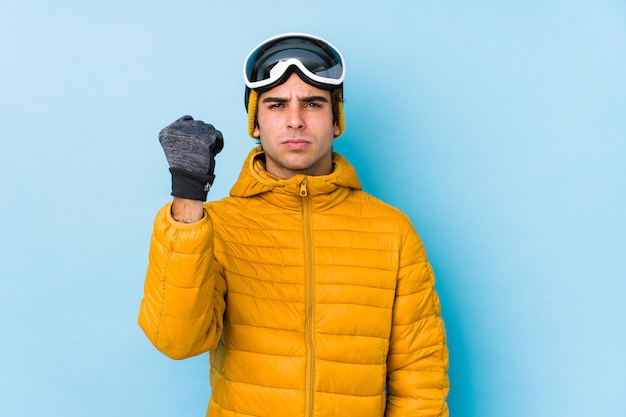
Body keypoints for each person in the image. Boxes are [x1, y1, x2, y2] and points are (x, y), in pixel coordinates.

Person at [138, 32, 449, 417]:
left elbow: (419, 378)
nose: (295, 120)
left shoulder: (392, 232)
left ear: (336, 121)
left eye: (313, 103)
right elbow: (175, 339)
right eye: (276, 104)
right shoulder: (212, 226)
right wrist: (188, 194)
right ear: (255, 122)